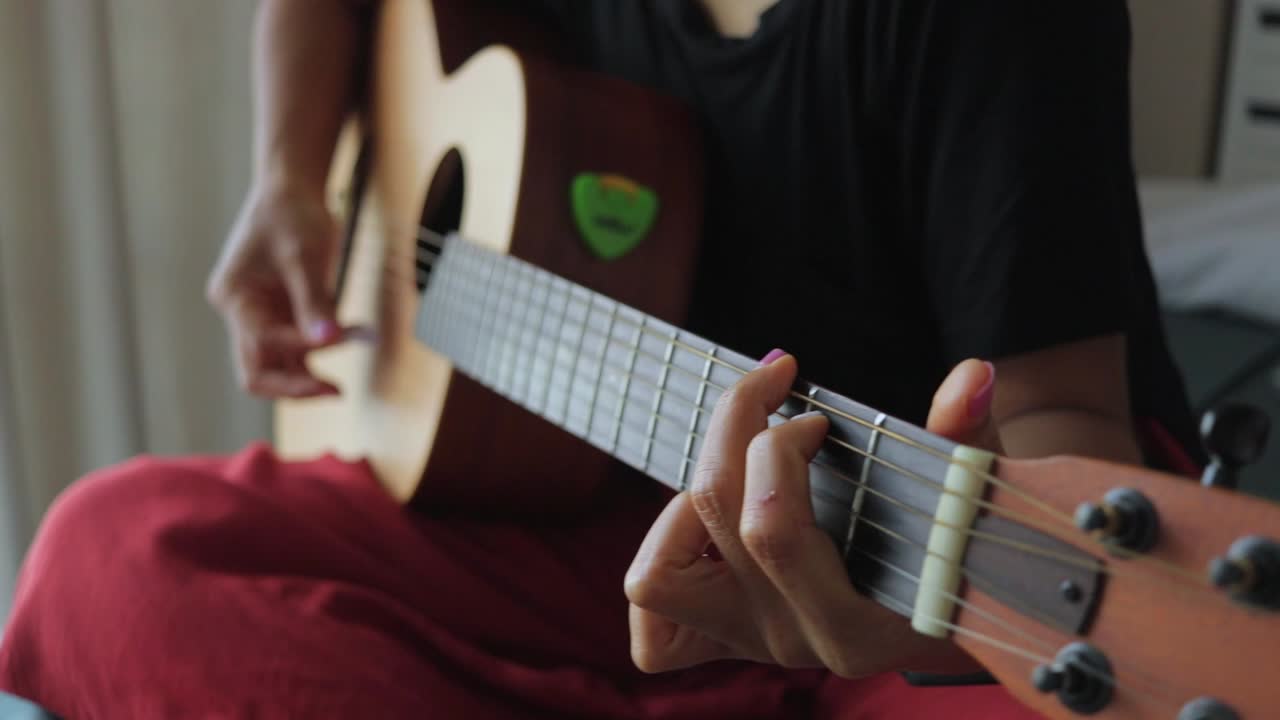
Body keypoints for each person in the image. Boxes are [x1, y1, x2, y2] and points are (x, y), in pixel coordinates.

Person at [0, 0, 1202, 718]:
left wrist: (927, 626)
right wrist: (289, 175)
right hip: (576, 516)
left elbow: (1061, 433)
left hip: (892, 571)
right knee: (116, 553)